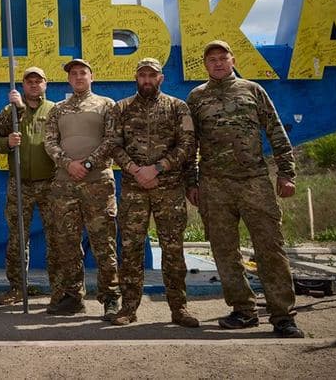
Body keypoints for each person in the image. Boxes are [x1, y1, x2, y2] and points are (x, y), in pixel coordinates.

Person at [186, 40, 304, 338]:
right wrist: (192, 181)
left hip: (254, 182)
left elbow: (276, 131)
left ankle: (283, 316)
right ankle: (243, 310)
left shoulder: (253, 90)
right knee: (225, 252)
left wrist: (287, 173)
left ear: (232, 59)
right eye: (211, 59)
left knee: (270, 249)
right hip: (214, 186)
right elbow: (190, 145)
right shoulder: (197, 98)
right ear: (205, 65)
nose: (217, 63)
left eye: (222, 58)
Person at [101, 57, 199, 327]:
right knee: (131, 250)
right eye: (142, 75)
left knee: (173, 250)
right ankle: (128, 309)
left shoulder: (178, 108)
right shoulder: (121, 108)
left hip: (169, 189)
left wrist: (156, 168)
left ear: (161, 79)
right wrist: (134, 169)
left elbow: (187, 145)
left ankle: (179, 309)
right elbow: (113, 144)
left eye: (151, 75)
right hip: (134, 190)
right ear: (136, 78)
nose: (147, 80)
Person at [43, 58, 120, 318]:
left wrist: (87, 163)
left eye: (82, 73)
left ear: (91, 76)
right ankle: (73, 297)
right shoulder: (58, 109)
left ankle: (110, 298)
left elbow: (112, 140)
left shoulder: (106, 105)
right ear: (68, 79)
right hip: (65, 185)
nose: (78, 77)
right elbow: (50, 142)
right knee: (67, 243)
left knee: (103, 242)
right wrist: (68, 163)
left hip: (97, 183)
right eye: (73, 74)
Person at [0, 66, 59, 305]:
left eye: (38, 81)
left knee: (56, 237)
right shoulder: (13, 111)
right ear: (23, 85)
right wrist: (6, 142)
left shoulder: (55, 110)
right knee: (18, 238)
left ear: (45, 84)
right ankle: (17, 287)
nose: (34, 85)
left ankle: (59, 289)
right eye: (29, 82)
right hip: (19, 183)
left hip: (50, 183)